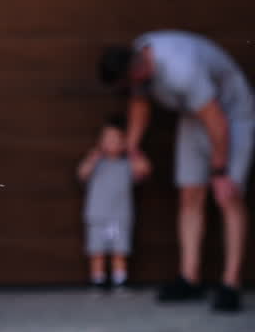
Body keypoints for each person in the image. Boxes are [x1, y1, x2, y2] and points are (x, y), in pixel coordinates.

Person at [99, 31, 255, 312]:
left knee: (228, 197)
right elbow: (140, 102)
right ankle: (189, 278)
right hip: (194, 117)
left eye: (126, 86)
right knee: (189, 196)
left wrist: (220, 171)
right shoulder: (137, 59)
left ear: (137, 69)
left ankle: (231, 284)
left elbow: (216, 120)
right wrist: (133, 151)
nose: (128, 91)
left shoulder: (181, 70)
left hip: (231, 114)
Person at [76, 115, 149, 289]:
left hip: (120, 217)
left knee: (119, 251)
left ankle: (119, 279)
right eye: (106, 138)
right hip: (97, 216)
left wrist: (133, 151)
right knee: (97, 251)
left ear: (124, 142)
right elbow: (82, 174)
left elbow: (144, 170)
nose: (109, 142)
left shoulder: (127, 166)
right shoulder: (97, 163)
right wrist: (91, 159)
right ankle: (97, 279)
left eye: (115, 139)